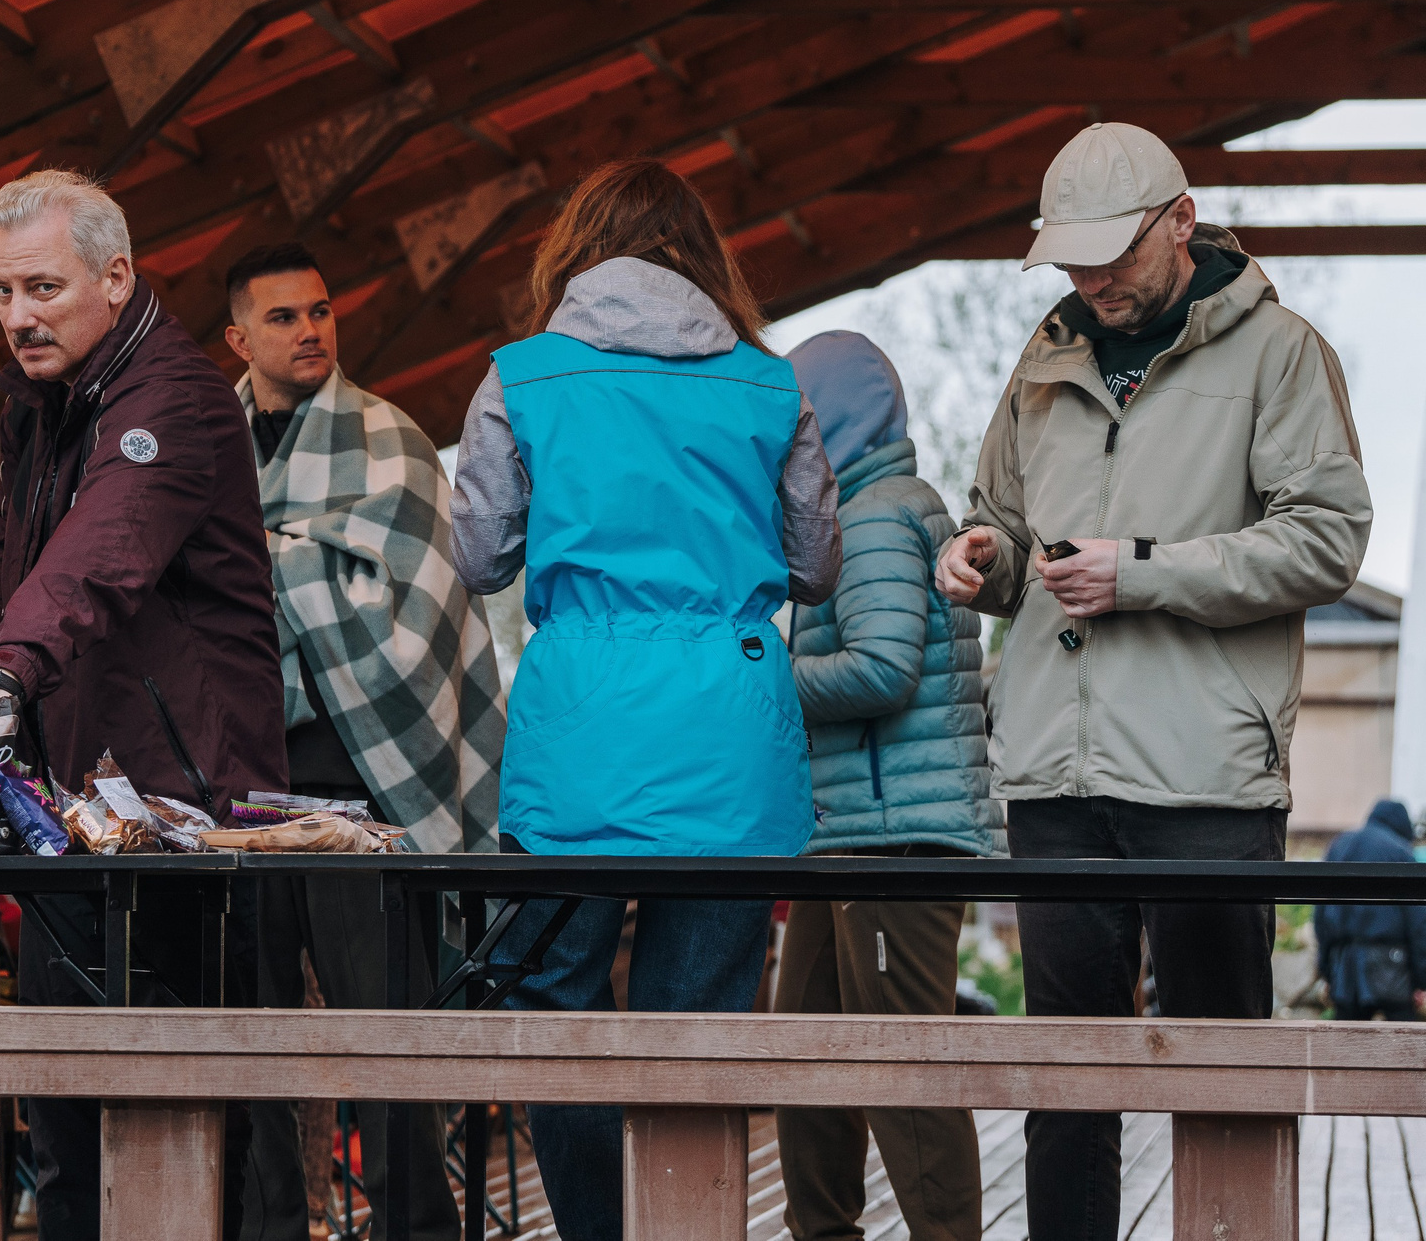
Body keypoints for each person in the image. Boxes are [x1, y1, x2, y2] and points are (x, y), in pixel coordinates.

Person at [934, 122, 1371, 1241]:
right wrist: (981, 561)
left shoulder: (1281, 354)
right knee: (1064, 1085)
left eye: (1110, 255)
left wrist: (1144, 575)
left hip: (1204, 776)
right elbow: (1007, 527)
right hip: (1054, 772)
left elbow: (1326, 542)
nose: (1089, 281)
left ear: (1181, 221)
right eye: (1069, 260)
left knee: (1223, 1077)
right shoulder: (1041, 360)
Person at [449, 158, 840, 1241]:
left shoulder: (521, 376)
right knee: (698, 1027)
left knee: (552, 1001)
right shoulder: (772, 383)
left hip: (580, 733)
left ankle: (596, 1231)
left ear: (574, 248)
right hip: (732, 737)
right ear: (703, 258)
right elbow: (815, 565)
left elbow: (479, 555)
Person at [0, 169, 285, 1241]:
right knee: (68, 1101)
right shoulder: (40, 402)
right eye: (1, 292)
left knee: (197, 1111)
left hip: (189, 803)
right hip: (81, 798)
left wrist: (9, 669)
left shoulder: (172, 397)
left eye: (42, 287)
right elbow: (11, 548)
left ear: (116, 274)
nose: (18, 316)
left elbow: (102, 551)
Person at [221, 240, 506, 1241]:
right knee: (249, 1038)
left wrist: (251, 560)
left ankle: (418, 1228)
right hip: (238, 779)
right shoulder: (203, 446)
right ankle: (264, 1229)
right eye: (285, 316)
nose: (310, 330)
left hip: (359, 772)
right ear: (238, 337)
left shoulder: (391, 440)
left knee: (381, 1035)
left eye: (321, 311)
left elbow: (414, 613)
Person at [773, 331, 997, 1241]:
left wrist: (760, 681)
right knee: (808, 1060)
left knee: (904, 1078)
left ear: (829, 421)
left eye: (792, 421)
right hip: (852, 836)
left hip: (899, 839)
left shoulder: (872, 514)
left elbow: (880, 671)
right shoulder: (855, 513)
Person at [1313, 800, 1425, 1022]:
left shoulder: (1339, 846)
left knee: (1346, 1044)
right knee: (1405, 1043)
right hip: (1391, 964)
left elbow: (1321, 913)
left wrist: (1325, 968)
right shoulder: (1400, 851)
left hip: (1345, 965)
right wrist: (1421, 979)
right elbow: (1419, 922)